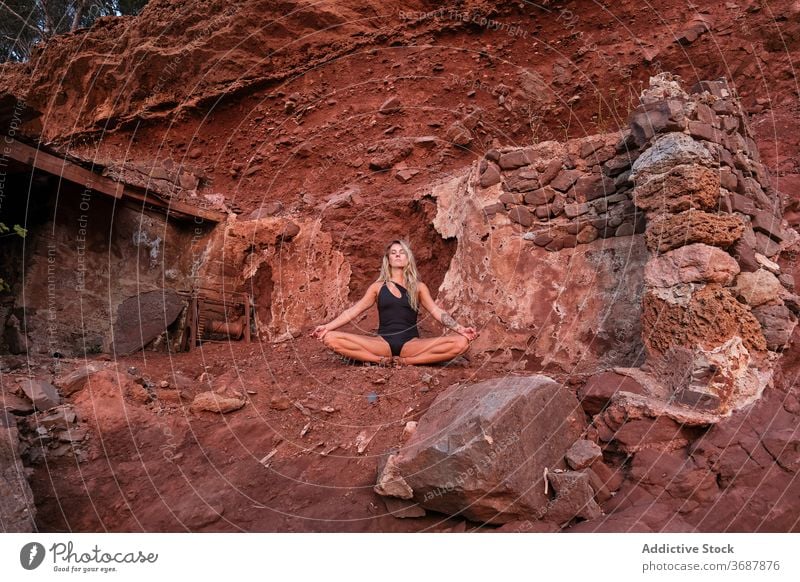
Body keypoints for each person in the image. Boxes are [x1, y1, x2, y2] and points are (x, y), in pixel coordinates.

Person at [311, 239, 478, 366]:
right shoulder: (377, 288)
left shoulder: (419, 287)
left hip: (411, 344)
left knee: (461, 343)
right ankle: (380, 360)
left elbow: (436, 312)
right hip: (382, 344)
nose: (398, 254)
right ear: (388, 259)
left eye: (402, 252)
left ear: (407, 258)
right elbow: (353, 311)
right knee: (330, 338)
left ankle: (406, 362)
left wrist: (461, 329)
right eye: (393, 252)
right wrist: (327, 327)